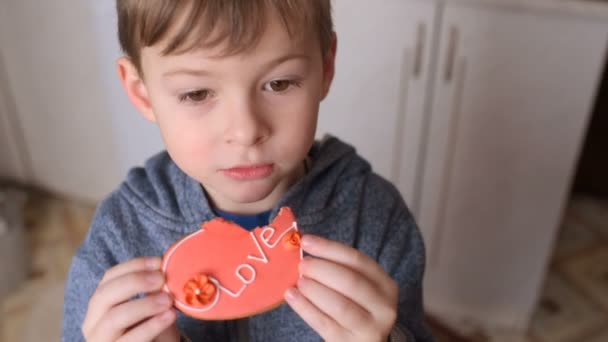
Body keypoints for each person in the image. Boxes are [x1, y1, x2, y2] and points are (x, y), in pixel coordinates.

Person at [62, 1, 434, 341]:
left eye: (279, 83)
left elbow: (411, 329)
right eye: (196, 93)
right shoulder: (119, 236)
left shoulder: (375, 219)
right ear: (142, 92)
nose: (246, 131)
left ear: (325, 68)